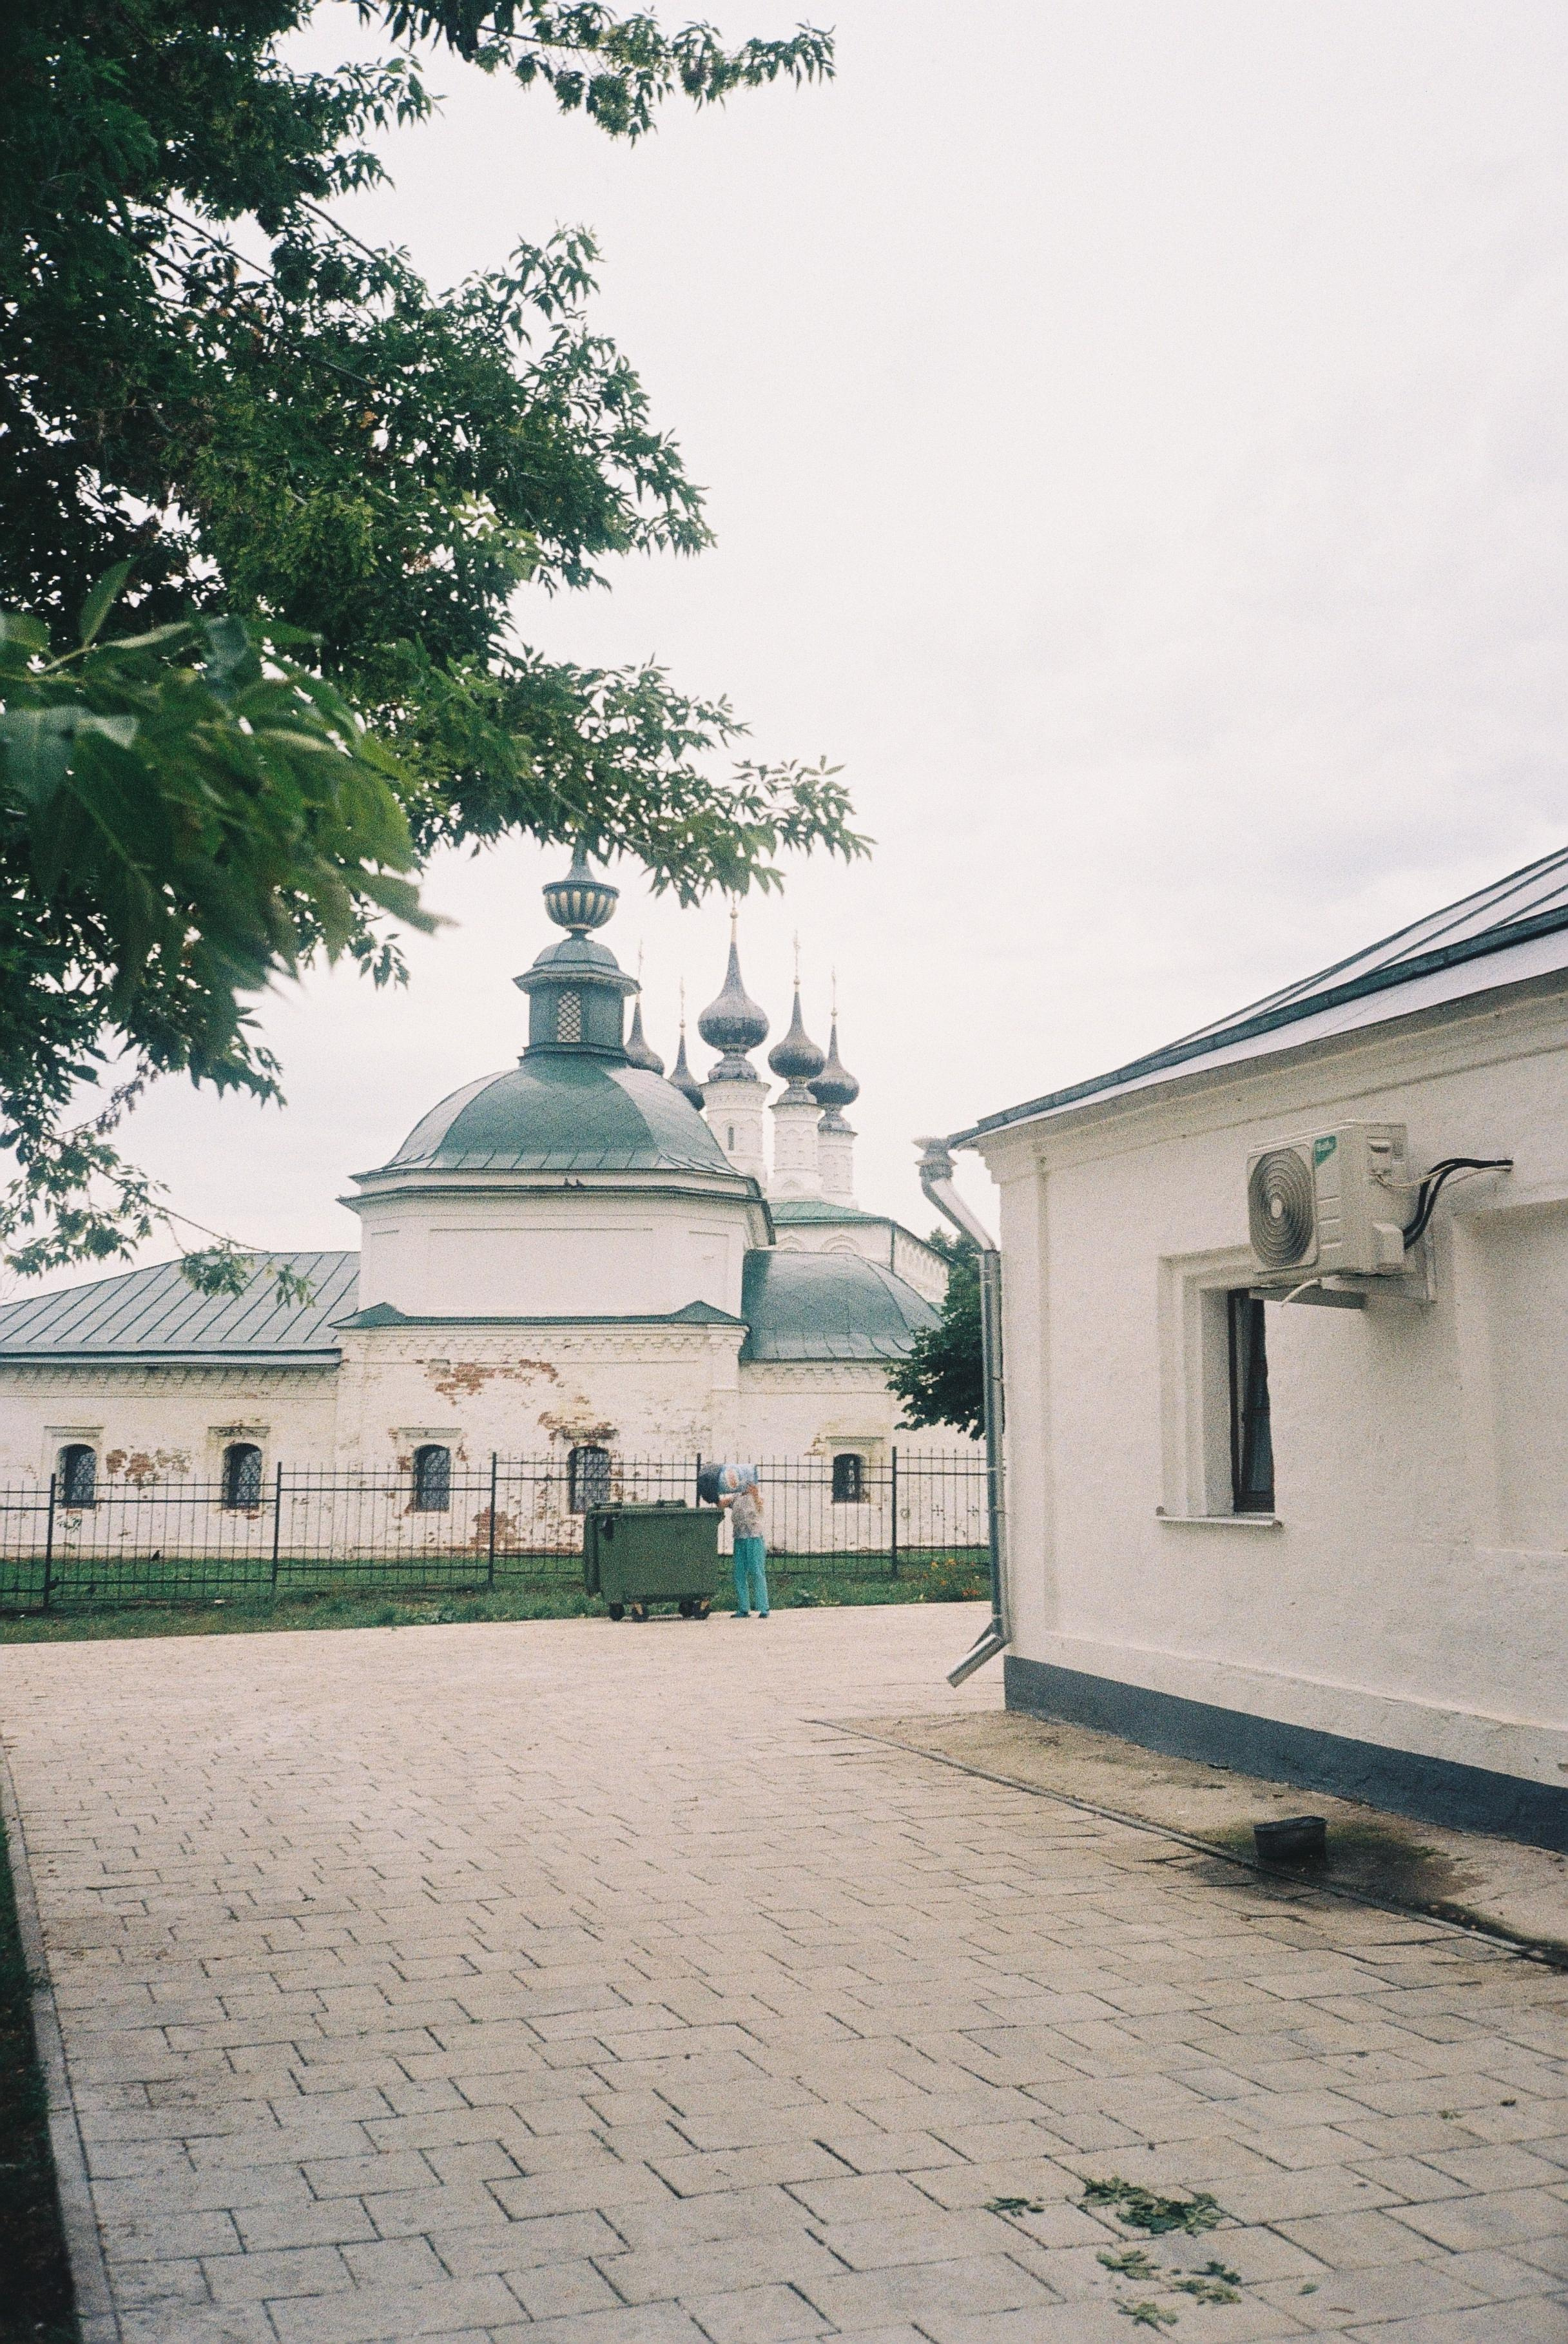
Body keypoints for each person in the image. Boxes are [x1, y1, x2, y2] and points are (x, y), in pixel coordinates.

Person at [721, 1472, 769, 1619]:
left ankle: (764, 1607)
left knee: (757, 1571)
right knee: (739, 1573)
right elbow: (722, 1503)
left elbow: (760, 1508)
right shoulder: (735, 1498)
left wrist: (755, 1494)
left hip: (754, 1537)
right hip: (739, 1538)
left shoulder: (756, 1497)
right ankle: (743, 1608)